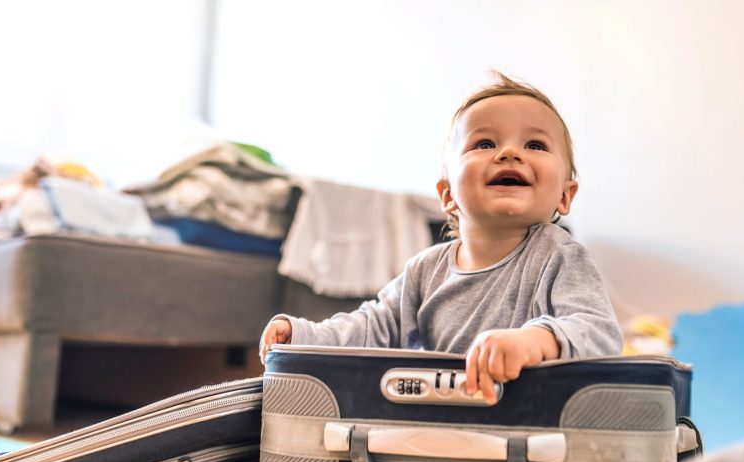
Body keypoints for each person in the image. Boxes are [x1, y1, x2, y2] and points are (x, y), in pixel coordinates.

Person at [260, 72, 622, 403]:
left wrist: (536, 340)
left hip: (532, 424)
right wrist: (305, 337)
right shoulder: (425, 270)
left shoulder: (559, 255)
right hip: (439, 420)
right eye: (483, 143)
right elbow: (371, 327)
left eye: (536, 145)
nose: (509, 152)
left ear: (565, 195)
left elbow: (600, 333)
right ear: (447, 195)